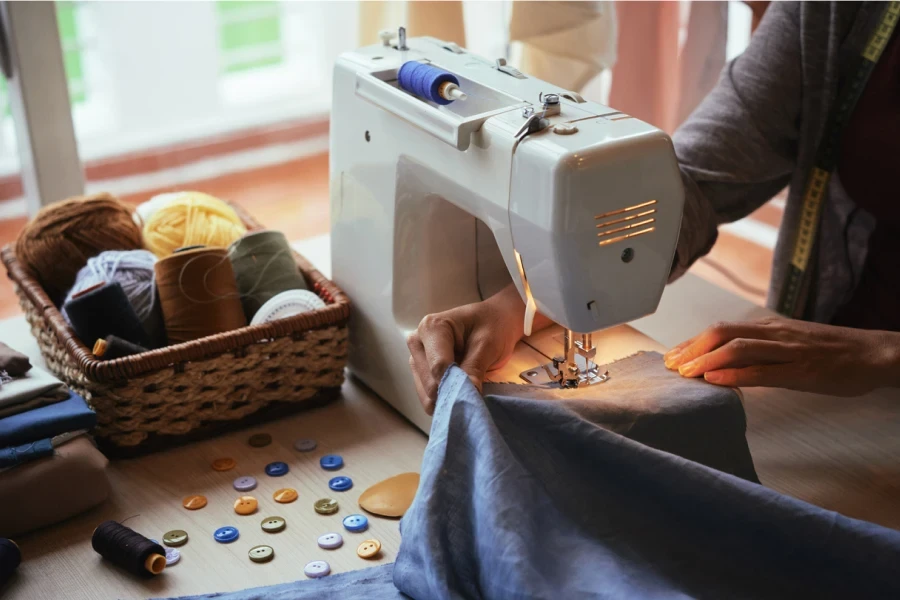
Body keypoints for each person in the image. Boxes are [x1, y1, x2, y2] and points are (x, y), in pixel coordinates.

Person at [407, 2, 900, 415]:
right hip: (825, 398)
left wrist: (882, 352)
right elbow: (691, 184)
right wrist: (517, 305)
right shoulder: (837, 9)